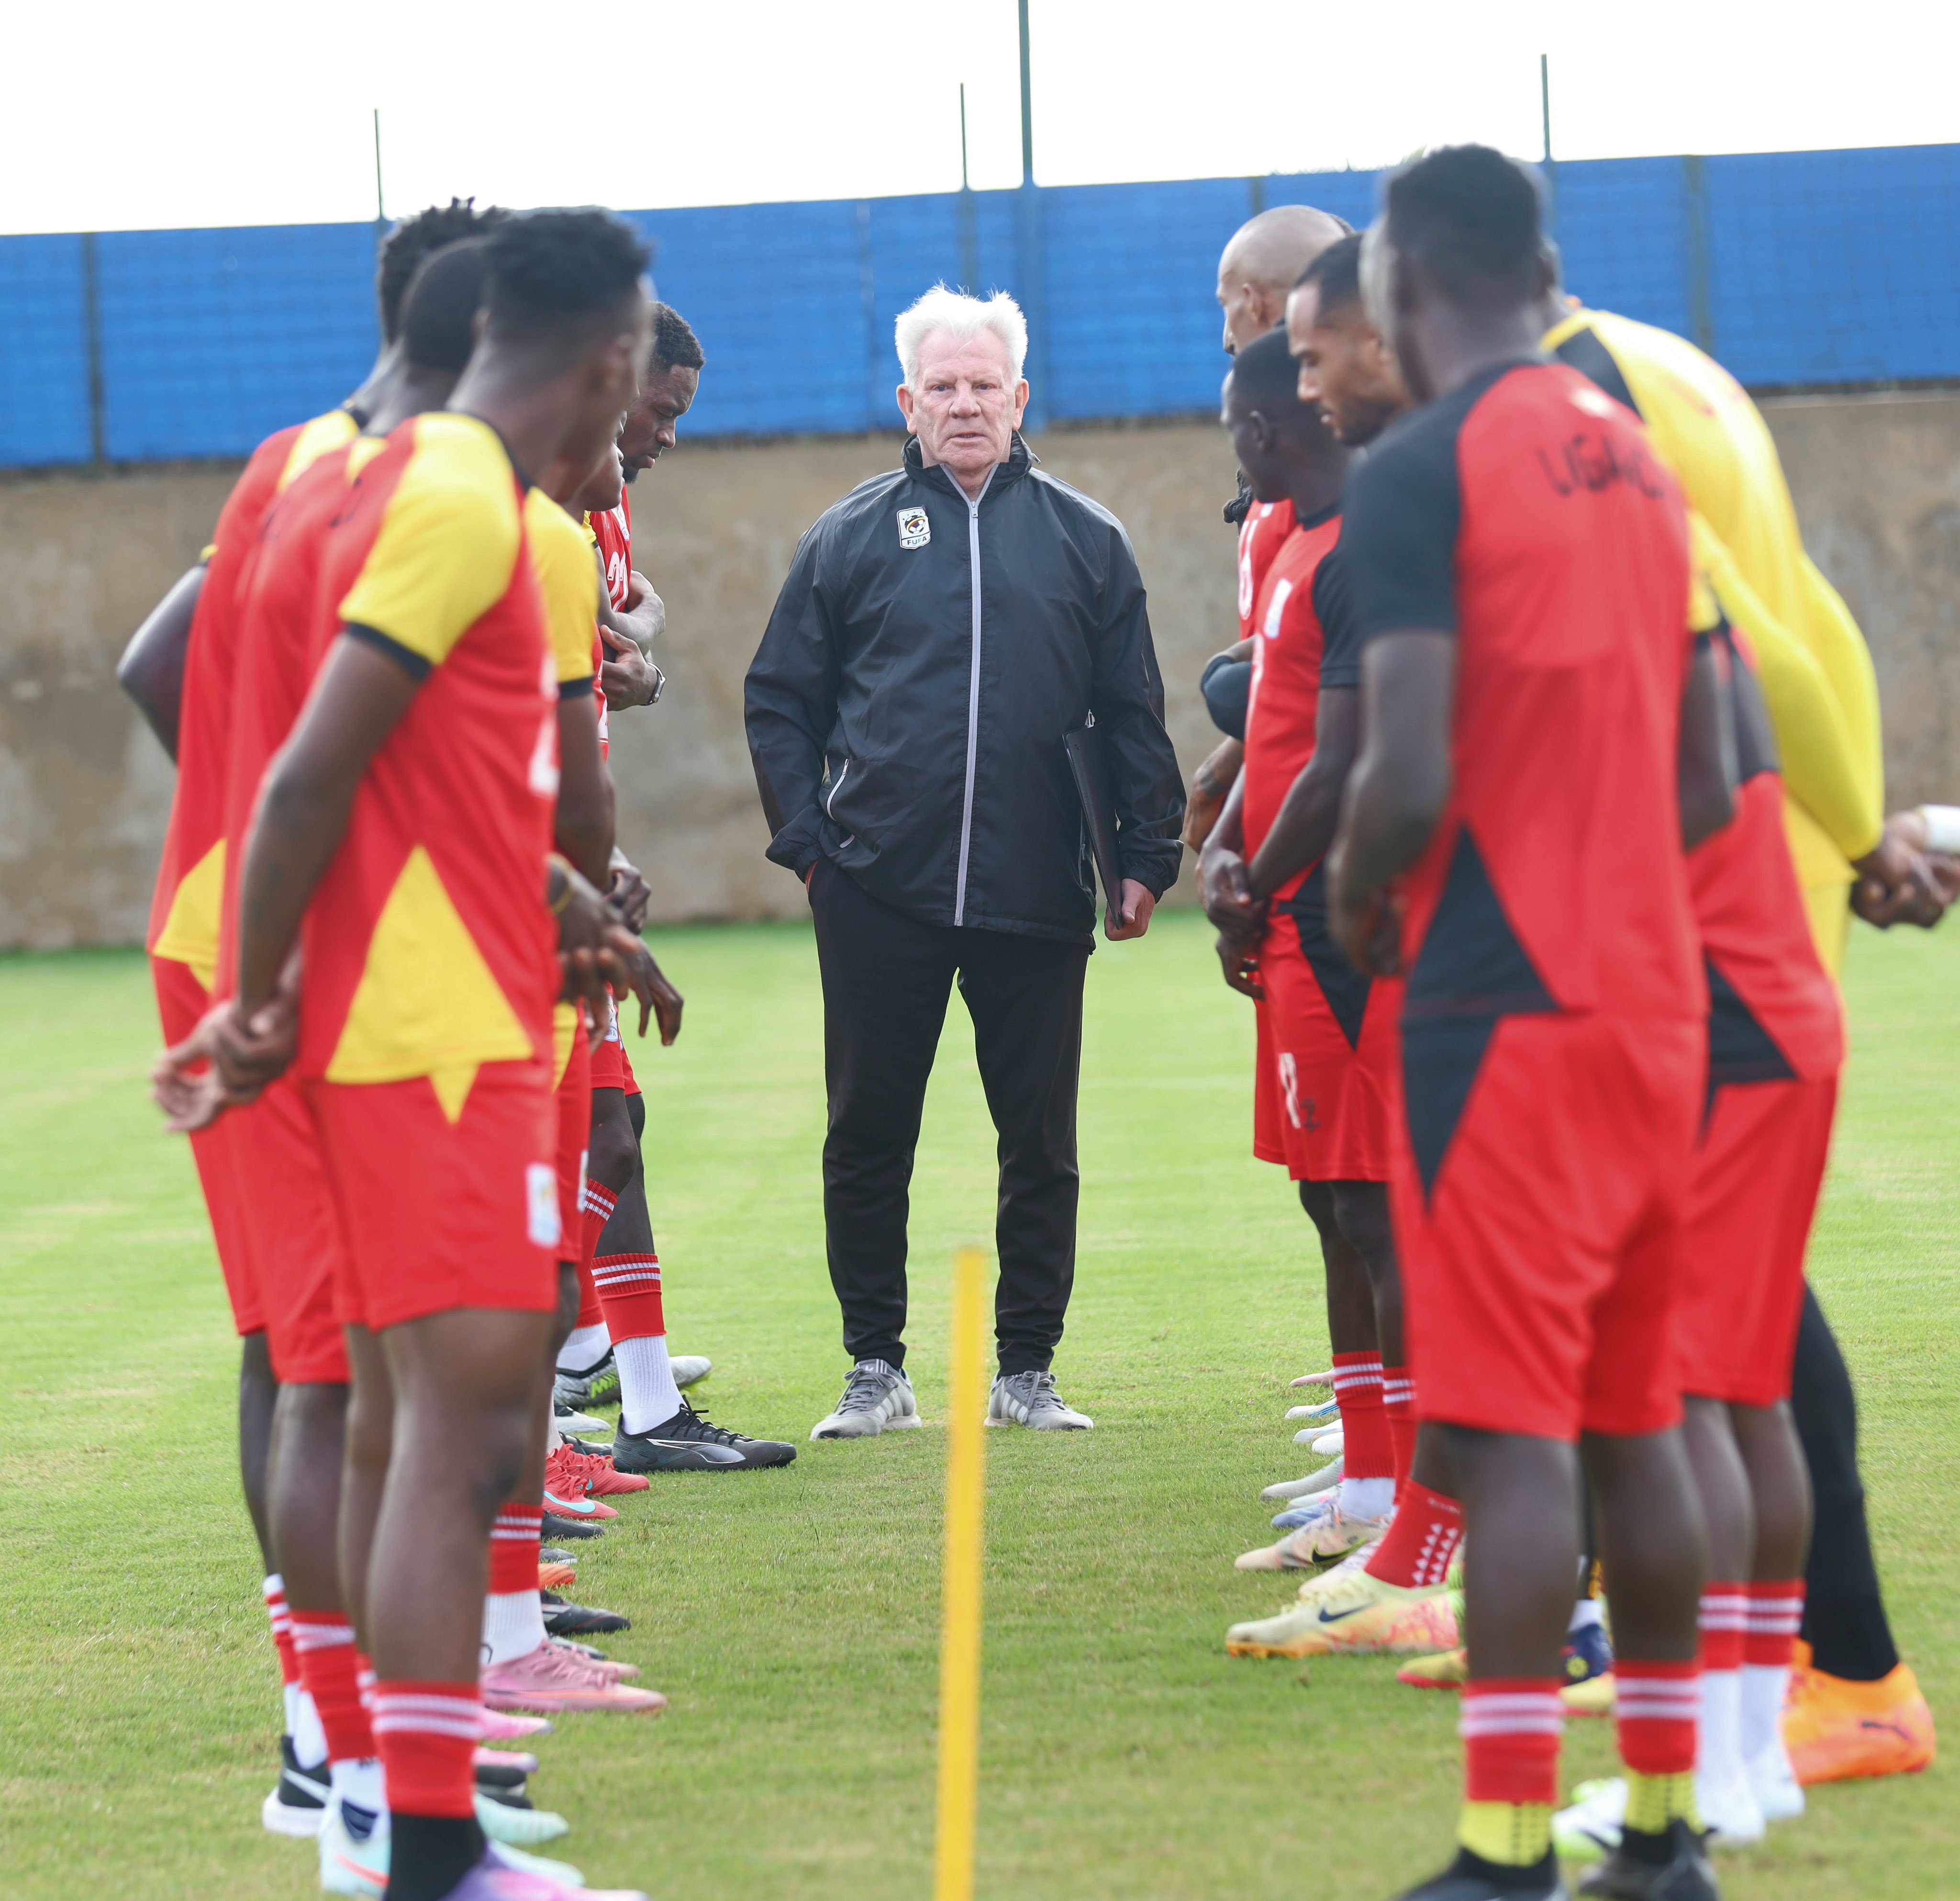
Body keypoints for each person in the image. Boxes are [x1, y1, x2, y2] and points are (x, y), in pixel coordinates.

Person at [160, 207, 658, 1901]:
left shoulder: (351, 476)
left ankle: (389, 1808)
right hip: (432, 1035)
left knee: (394, 1416)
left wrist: (558, 899)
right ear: (605, 359)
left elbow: (405, 773)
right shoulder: (456, 497)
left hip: (406, 1007)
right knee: (447, 1429)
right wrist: (254, 995)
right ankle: (418, 1837)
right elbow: (311, 770)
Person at [1326, 148, 1731, 1901]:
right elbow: (1710, 774)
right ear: (1540, 266)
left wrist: (1357, 895)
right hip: (1654, 1003)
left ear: (1402, 287)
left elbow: (1407, 771)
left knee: (1509, 1436)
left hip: (1502, 1009)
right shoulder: (1634, 453)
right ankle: (1662, 1829)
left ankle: (1503, 1855)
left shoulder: (1423, 467)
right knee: (1639, 1419)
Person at [119, 198, 508, 1838]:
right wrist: (272, 833)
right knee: (322, 1359)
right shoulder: (357, 477)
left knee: (318, 1348)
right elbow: (165, 663)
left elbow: (173, 669)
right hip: (267, 943)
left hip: (252, 926)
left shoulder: (304, 461)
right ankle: (336, 1757)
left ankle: (345, 1743)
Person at [1535, 282, 1944, 1789]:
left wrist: (1862, 827)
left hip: (1718, 894)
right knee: (1715, 1294)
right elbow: (1812, 608)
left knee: (1736, 1309)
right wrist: (1857, 817)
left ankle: (1852, 1671)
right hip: (1761, 871)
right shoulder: (1667, 360)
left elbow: (1749, 635)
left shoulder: (1578, 400)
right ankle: (1722, 1655)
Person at [745, 285, 1183, 1439]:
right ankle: (873, 1370)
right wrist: (811, 849)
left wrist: (1147, 854)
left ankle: (1026, 1370)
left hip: (1035, 889)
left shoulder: (1088, 540)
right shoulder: (846, 537)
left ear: (1019, 395)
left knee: (1039, 1142)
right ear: (907, 402)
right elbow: (778, 701)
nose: (964, 404)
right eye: (940, 386)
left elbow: (1132, 711)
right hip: (875, 891)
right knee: (866, 1135)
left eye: (983, 384)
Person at [1193, 331, 1411, 1569]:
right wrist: (1225, 852)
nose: (1239, 447)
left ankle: (1414, 1499)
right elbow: (1274, 735)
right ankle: (1369, 1474)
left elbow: (1343, 763)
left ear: (1273, 428)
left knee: (1377, 1202)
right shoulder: (1290, 546)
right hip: (1283, 911)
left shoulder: (1362, 550)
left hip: (1335, 916)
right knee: (1329, 1195)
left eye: (1241, 424)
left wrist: (1254, 879)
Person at [1186, 205, 1354, 853]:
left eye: (1225, 305)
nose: (1226, 336)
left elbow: (1330, 653)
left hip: (1327, 816)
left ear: (1253, 301)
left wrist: (1222, 773)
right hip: (1288, 790)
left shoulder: (1329, 460)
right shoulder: (1279, 461)